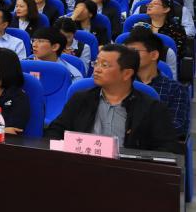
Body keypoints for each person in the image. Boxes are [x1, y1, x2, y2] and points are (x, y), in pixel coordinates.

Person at [45, 44, 180, 152]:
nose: (97, 69)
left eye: (104, 65)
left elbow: (168, 148)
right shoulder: (80, 99)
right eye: (96, 63)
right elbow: (55, 131)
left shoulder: (151, 108)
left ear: (127, 74)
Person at [124, 28, 190, 137]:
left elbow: (177, 126)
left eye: (134, 51)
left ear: (154, 55)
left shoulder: (176, 89)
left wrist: (139, 129)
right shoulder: (121, 83)